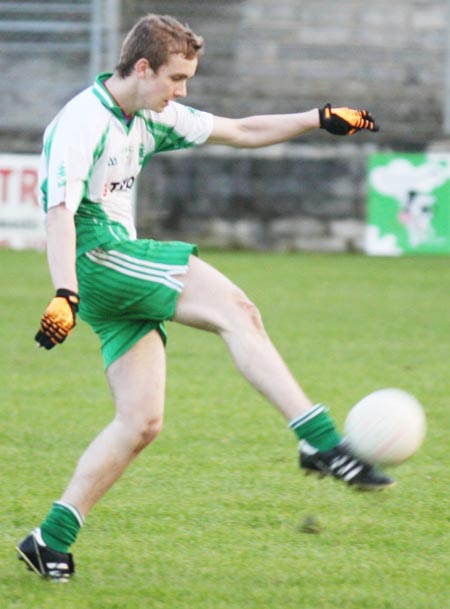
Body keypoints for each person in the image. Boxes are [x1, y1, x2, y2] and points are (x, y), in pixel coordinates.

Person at [16, 13, 394, 582]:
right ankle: (319, 441)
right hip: (98, 259)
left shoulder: (146, 113)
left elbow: (241, 130)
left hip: (112, 271)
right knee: (237, 310)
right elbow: (59, 212)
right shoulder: (82, 121)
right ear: (142, 68)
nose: (183, 90)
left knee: (141, 420)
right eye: (176, 78)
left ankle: (50, 539)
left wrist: (317, 119)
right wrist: (65, 292)